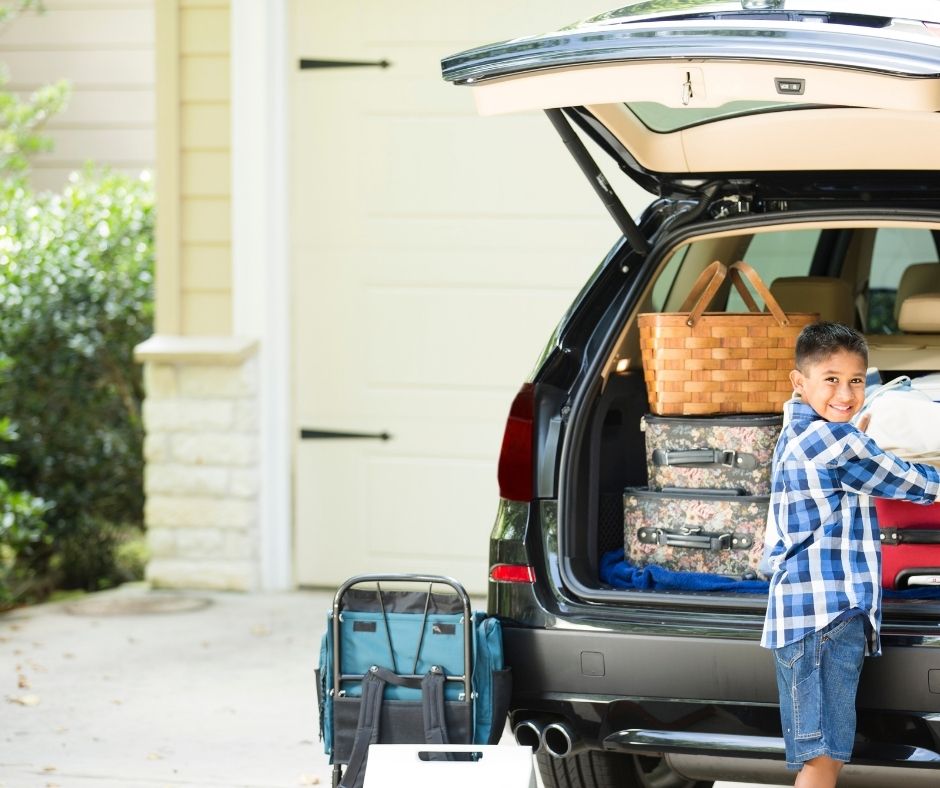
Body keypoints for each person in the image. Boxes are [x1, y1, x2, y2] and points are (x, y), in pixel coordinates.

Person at [761, 321, 940, 788]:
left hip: (809, 618)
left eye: (856, 381)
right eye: (831, 380)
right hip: (823, 618)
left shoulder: (799, 432)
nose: (846, 393)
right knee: (822, 758)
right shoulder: (833, 442)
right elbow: (914, 483)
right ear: (799, 382)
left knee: (823, 754)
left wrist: (858, 434)